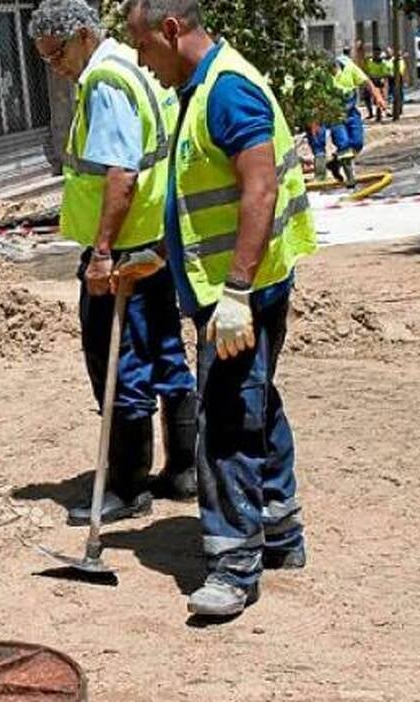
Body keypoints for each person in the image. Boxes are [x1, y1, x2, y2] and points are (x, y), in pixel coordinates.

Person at [126, 0, 317, 617]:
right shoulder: (200, 90)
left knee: (226, 423)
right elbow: (202, 193)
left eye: (143, 46)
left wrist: (235, 292)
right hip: (236, 286)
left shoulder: (227, 92)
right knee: (256, 404)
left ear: (171, 31)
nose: (142, 62)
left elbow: (260, 187)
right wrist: (163, 252)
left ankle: (234, 567)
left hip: (240, 293)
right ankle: (280, 533)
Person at [28, 0, 198, 525]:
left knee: (118, 365)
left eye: (57, 54)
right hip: (154, 241)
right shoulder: (133, 62)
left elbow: (121, 173)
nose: (55, 67)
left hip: (123, 252)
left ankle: (127, 486)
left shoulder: (105, 82)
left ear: (84, 34)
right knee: (165, 353)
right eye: (45, 59)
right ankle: (184, 470)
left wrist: (101, 252)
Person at [325, 51, 388, 187]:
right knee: (343, 144)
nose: (332, 73)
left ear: (337, 65)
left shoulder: (349, 66)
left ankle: (335, 163)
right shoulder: (322, 76)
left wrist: (378, 97)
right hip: (334, 116)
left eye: (333, 70)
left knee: (357, 143)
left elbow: (366, 82)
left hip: (351, 112)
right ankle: (350, 179)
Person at [363, 47, 390, 121]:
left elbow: (385, 73)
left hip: (379, 81)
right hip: (370, 80)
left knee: (379, 98)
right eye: (375, 53)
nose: (376, 55)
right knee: (366, 97)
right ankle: (370, 113)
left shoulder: (383, 63)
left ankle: (379, 114)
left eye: (378, 53)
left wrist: (381, 78)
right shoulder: (369, 61)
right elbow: (366, 69)